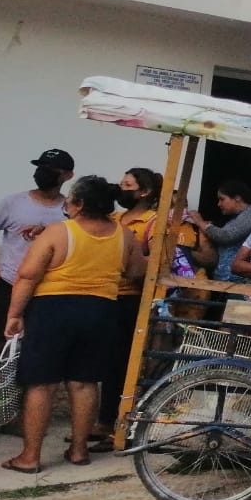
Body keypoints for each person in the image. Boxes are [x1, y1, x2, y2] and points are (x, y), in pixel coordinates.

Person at [0, 176, 143, 473]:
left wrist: (14, 314)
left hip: (53, 310)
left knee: (42, 383)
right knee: (85, 382)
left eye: (70, 200)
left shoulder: (57, 232)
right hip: (102, 311)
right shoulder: (125, 235)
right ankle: (79, 451)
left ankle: (30, 457)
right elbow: (135, 270)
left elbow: (27, 275)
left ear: (78, 204)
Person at [0, 148, 76, 366]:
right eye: (41, 168)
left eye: (51, 170)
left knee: (37, 352)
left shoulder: (70, 210)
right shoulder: (13, 203)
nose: (43, 173)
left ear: (67, 175)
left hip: (48, 291)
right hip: (9, 285)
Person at [99, 167, 164, 448]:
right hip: (106, 296)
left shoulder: (153, 222)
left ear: (144, 191)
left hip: (131, 299)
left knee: (124, 365)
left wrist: (129, 258)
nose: (120, 187)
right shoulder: (112, 218)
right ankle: (103, 422)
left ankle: (120, 426)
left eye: (127, 184)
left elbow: (160, 261)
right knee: (106, 364)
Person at [201, 181, 251, 284]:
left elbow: (226, 236)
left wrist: (199, 222)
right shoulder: (236, 218)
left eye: (222, 199)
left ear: (237, 198)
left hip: (239, 282)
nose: (218, 204)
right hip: (225, 281)